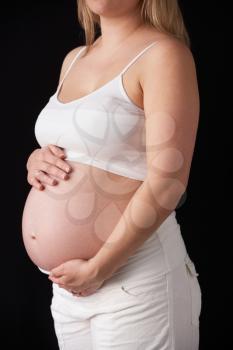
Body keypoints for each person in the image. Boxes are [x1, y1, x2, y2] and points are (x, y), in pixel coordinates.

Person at [26, 0, 201, 349]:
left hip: (135, 280)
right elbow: (78, 148)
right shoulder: (74, 59)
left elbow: (169, 180)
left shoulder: (163, 55)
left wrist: (100, 268)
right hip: (69, 291)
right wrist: (36, 160)